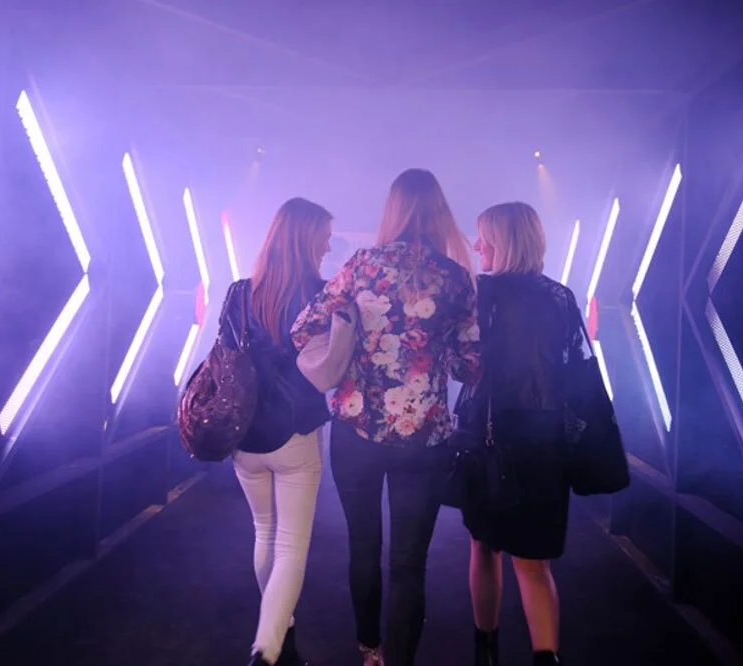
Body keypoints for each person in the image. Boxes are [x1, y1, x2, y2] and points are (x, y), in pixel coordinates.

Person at [291, 168, 481, 666]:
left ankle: (368, 649)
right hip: (424, 437)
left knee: (362, 548)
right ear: (440, 212)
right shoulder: (455, 277)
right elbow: (471, 364)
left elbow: (303, 327)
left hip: (356, 429)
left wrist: (353, 347)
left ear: (392, 210)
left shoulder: (361, 267)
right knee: (408, 564)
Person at [456, 202, 595, 666]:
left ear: (504, 241)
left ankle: (486, 651)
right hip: (545, 441)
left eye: (483, 237)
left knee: (484, 546)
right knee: (535, 564)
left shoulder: (481, 295)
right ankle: (545, 658)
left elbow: (464, 363)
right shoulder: (559, 296)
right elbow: (576, 369)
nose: (478, 246)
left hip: (488, 438)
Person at [218, 197, 334, 666]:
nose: (329, 245)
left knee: (264, 533)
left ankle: (280, 640)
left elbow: (224, 359)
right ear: (307, 238)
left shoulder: (239, 292)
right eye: (324, 236)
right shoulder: (322, 297)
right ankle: (265, 652)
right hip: (295, 434)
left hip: (245, 434)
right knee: (290, 546)